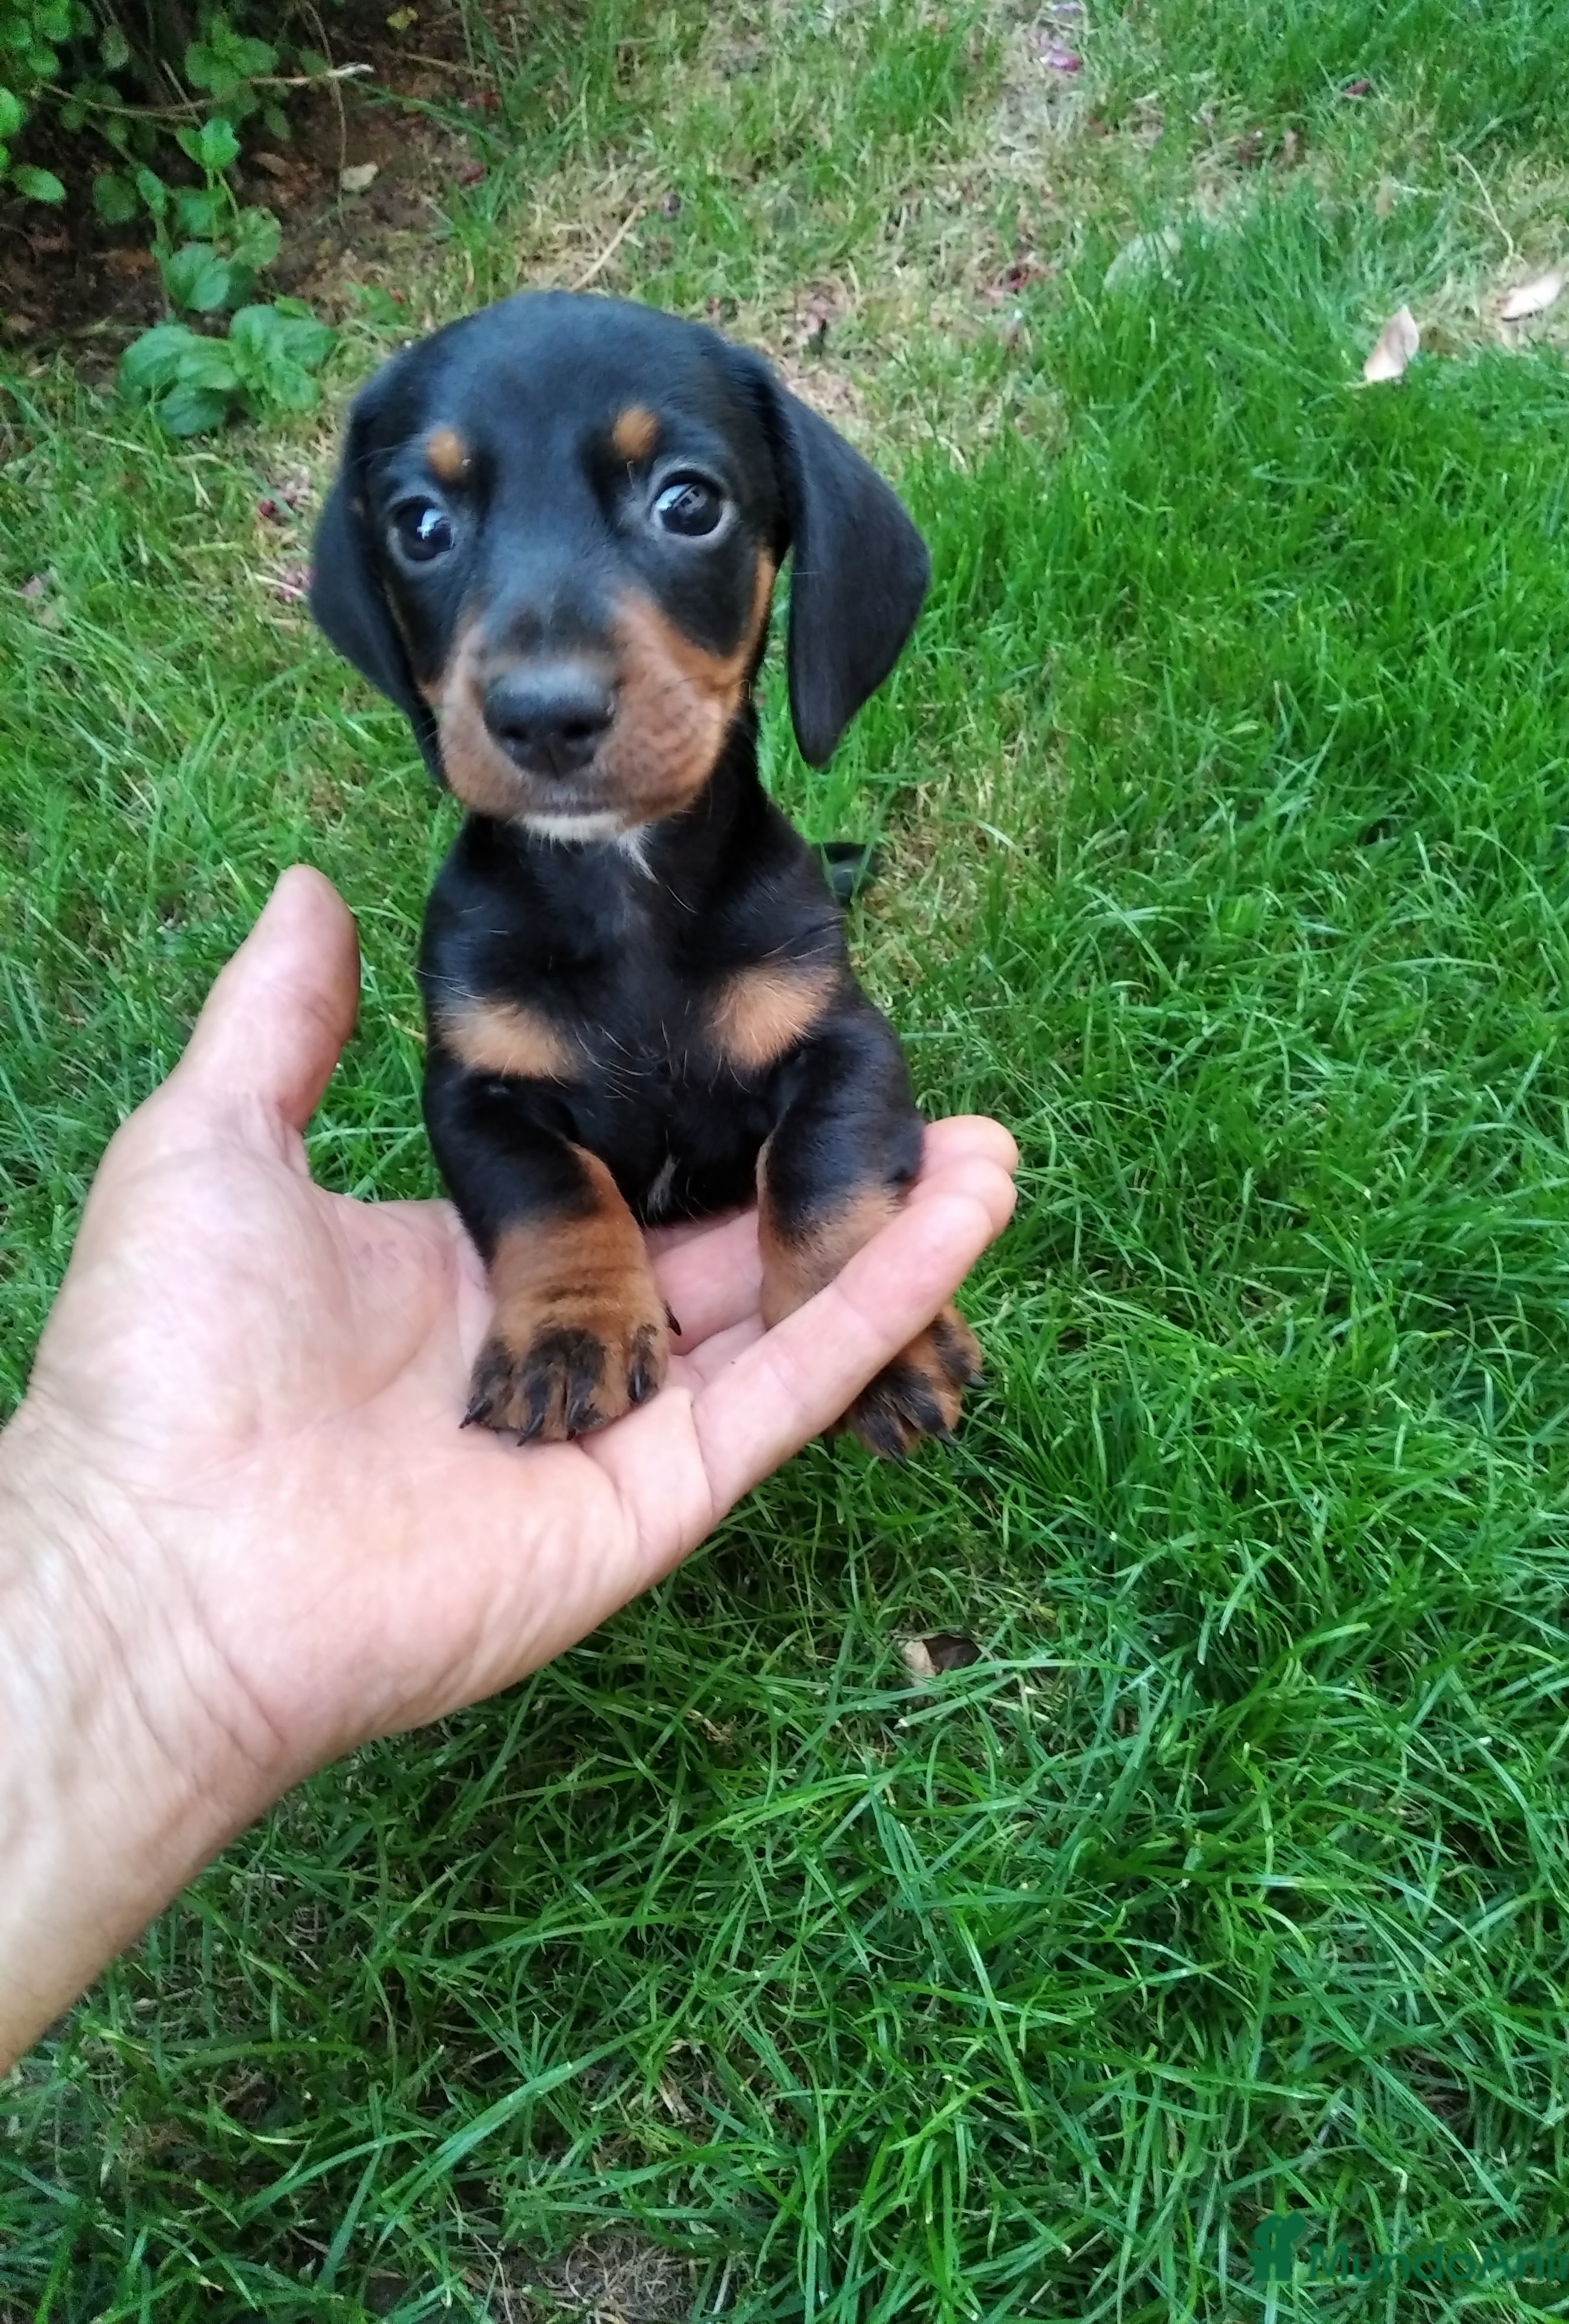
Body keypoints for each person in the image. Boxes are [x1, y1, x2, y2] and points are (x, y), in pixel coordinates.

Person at [0, 868, 1017, 2069]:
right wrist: (571, 1275)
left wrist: (832, 1251)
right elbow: (485, 1106)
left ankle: (860, 1306)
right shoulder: (485, 944)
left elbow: (836, 1057)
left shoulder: (767, 911)